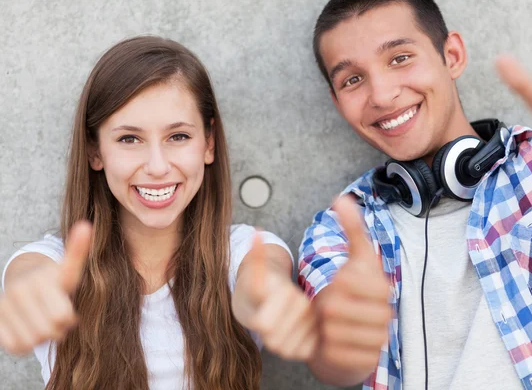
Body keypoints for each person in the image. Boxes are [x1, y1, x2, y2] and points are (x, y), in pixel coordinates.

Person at [298, 0, 532, 389]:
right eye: (353, 79)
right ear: (338, 103)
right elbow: (335, 358)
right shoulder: (339, 229)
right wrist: (338, 340)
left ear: (452, 55)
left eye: (400, 58)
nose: (382, 94)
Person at [0, 36, 316, 390]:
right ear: (95, 150)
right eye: (129, 139)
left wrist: (266, 300)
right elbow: (28, 280)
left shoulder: (244, 251)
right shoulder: (52, 263)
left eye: (178, 136)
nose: (157, 166)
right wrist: (33, 298)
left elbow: (261, 281)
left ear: (208, 143)